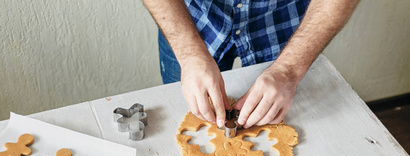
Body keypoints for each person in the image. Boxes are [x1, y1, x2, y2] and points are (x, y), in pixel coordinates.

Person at [143, 0, 360, 128]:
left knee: (283, 120)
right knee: (189, 112)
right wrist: (189, 54)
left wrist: (288, 71)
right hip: (191, 20)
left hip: (285, 24)